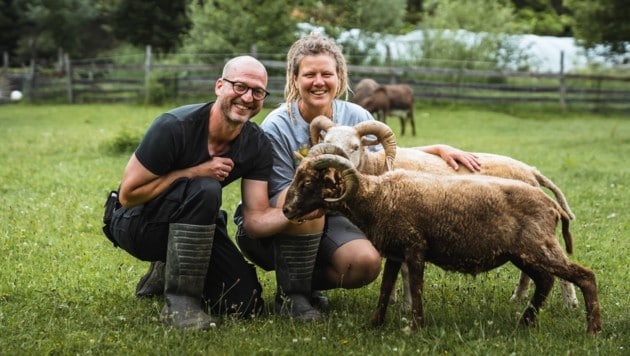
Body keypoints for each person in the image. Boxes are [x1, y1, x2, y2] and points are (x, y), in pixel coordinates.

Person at [234, 32, 482, 322]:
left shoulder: (356, 115)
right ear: (294, 78)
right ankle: (295, 297)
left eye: (327, 73)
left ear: (340, 77)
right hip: (283, 219)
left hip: (337, 216)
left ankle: (302, 283)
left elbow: (379, 159)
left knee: (365, 264)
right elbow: (282, 197)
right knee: (314, 199)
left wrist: (435, 149)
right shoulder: (277, 126)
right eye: (309, 74)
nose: (318, 81)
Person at [103, 56, 282, 330]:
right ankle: (180, 305)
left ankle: (167, 270)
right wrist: (192, 172)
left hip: (195, 223)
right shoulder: (173, 126)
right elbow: (128, 196)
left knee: (244, 303)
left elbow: (256, 214)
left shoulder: (257, 145)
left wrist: (298, 213)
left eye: (258, 91)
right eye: (240, 87)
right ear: (220, 85)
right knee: (205, 187)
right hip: (137, 223)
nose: (248, 97)